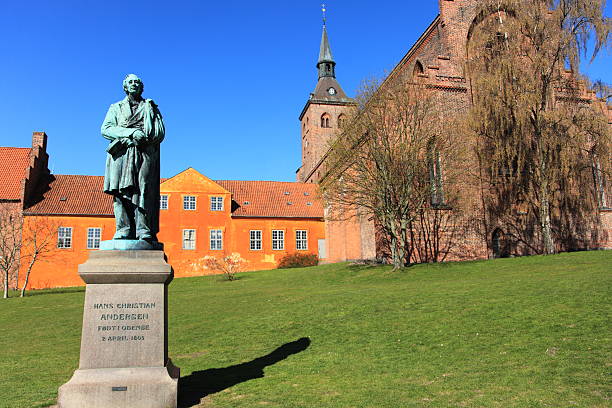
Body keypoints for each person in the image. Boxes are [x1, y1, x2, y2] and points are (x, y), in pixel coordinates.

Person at [101, 74, 165, 241]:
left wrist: (145, 136)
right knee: (120, 193)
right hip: (121, 153)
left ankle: (143, 229)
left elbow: (160, 132)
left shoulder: (150, 107)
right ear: (125, 86)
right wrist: (131, 132)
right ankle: (123, 229)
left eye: (137, 82)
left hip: (143, 153)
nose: (134, 84)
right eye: (131, 82)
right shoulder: (116, 108)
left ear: (141, 86)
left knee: (144, 190)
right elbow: (106, 129)